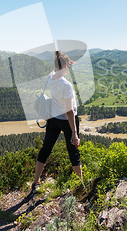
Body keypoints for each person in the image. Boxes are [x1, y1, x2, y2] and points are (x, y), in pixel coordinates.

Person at [31, 50, 82, 192]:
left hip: (53, 118)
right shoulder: (66, 85)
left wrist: (64, 62)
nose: (70, 68)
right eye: (69, 65)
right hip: (67, 121)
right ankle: (81, 185)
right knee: (73, 152)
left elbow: (55, 68)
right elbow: (69, 111)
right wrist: (74, 132)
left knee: (45, 149)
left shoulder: (50, 77)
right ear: (65, 65)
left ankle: (36, 182)